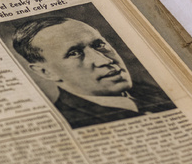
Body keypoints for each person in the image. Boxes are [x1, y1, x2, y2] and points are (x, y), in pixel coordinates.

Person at [12, 16, 176, 128]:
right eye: (74, 53)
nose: (104, 60)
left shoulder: (154, 90)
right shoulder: (69, 122)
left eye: (99, 45)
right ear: (45, 72)